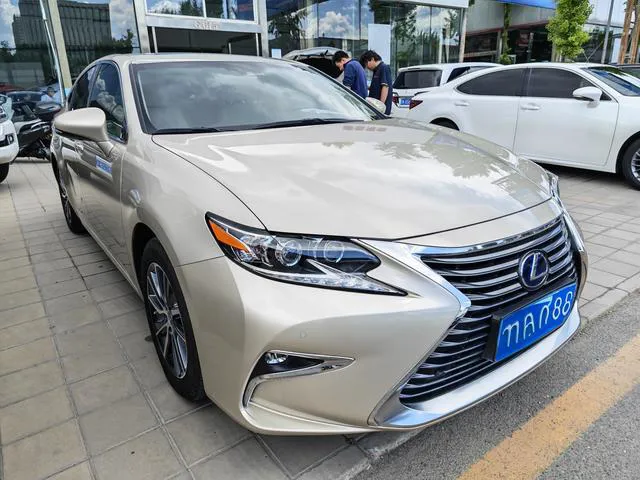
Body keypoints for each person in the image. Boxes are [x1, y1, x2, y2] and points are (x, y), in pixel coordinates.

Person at [360, 50, 393, 115]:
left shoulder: (383, 67)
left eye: (366, 63)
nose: (366, 67)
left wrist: (380, 107)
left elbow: (385, 87)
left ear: (372, 59)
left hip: (380, 110)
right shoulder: (376, 70)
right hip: (375, 108)